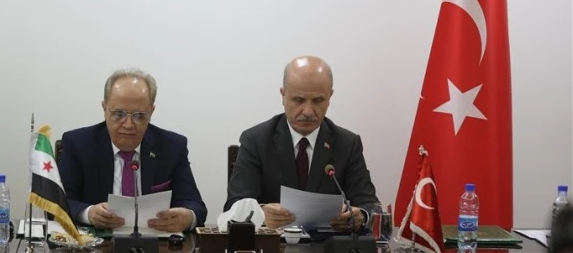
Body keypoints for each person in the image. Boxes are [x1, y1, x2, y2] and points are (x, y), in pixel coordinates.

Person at [225, 55, 379, 230]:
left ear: (330, 97)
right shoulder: (256, 140)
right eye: (298, 100)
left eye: (318, 101)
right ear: (283, 95)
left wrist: (361, 216)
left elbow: (371, 206)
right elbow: (234, 205)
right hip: (274, 242)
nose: (307, 111)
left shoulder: (347, 144)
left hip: (328, 242)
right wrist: (261, 214)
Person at [59, 68, 207, 232]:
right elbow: (58, 202)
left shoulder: (172, 147)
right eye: (118, 114)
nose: (128, 125)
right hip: (97, 242)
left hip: (156, 242)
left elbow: (195, 206)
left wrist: (187, 217)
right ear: (104, 108)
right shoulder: (79, 144)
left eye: (139, 116)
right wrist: (89, 213)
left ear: (151, 112)